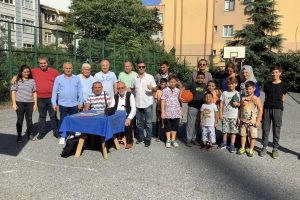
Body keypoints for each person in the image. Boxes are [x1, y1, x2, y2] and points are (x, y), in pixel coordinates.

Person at [11, 56, 60, 139]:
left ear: (47, 63)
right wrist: (15, 77)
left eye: (44, 63)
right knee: (42, 116)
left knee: (53, 116)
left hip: (52, 98)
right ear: (39, 64)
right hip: (40, 98)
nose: (43, 65)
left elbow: (61, 80)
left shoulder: (54, 72)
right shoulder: (34, 71)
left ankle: (56, 132)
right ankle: (41, 133)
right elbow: (24, 72)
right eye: (41, 63)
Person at [51, 62, 84, 144]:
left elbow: (80, 91)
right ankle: (63, 136)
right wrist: (54, 103)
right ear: (63, 69)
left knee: (73, 120)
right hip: (63, 104)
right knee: (63, 120)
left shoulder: (76, 78)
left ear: (72, 69)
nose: (68, 70)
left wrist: (81, 102)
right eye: (66, 68)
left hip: (74, 104)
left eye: (70, 68)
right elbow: (54, 92)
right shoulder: (58, 78)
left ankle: (72, 134)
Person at [259, 66, 287, 159]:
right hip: (267, 108)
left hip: (278, 109)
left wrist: (278, 105)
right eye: (273, 72)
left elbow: (283, 97)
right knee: (265, 128)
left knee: (276, 129)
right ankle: (264, 147)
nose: (274, 74)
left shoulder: (283, 84)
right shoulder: (267, 84)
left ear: (280, 73)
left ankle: (275, 149)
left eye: (276, 72)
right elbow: (266, 96)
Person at [131, 61, 157, 147]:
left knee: (148, 123)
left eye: (143, 67)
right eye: (139, 67)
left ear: (145, 68)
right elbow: (132, 89)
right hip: (138, 103)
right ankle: (141, 137)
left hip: (148, 103)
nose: (141, 68)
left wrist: (152, 88)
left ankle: (148, 139)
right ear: (137, 68)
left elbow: (156, 89)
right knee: (139, 123)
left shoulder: (150, 77)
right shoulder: (134, 78)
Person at [11, 65, 37, 143]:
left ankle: (30, 134)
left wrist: (35, 104)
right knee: (20, 120)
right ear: (21, 72)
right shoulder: (17, 80)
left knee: (29, 120)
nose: (27, 73)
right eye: (25, 72)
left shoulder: (32, 81)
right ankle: (19, 136)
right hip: (20, 103)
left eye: (28, 72)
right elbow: (13, 92)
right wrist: (14, 104)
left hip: (30, 103)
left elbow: (34, 92)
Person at [237, 81, 263, 157]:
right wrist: (238, 118)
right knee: (243, 135)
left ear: (254, 89)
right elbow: (240, 108)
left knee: (252, 136)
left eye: (250, 89)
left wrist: (258, 121)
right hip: (243, 121)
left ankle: (251, 149)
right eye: (247, 89)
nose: (248, 90)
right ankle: (242, 148)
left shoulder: (256, 99)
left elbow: (260, 109)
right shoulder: (243, 98)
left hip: (252, 122)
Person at [183, 72, 206, 147]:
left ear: (204, 79)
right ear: (196, 77)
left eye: (202, 78)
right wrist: (180, 96)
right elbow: (183, 88)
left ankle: (193, 138)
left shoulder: (205, 85)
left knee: (197, 124)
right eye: (198, 77)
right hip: (192, 106)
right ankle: (188, 139)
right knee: (190, 124)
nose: (200, 79)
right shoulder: (192, 84)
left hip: (201, 107)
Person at [219, 76, 240, 153]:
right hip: (225, 115)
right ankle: (224, 142)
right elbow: (221, 104)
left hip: (234, 116)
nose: (230, 85)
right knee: (224, 130)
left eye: (232, 84)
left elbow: (240, 104)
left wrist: (237, 104)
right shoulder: (224, 93)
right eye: (229, 84)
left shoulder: (237, 93)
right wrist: (220, 114)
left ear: (236, 84)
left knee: (233, 131)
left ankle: (232, 145)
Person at [113, 82, 136, 149]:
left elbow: (134, 109)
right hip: (117, 115)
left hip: (128, 115)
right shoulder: (115, 96)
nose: (121, 90)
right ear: (117, 89)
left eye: (122, 88)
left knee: (127, 124)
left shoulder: (130, 95)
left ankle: (129, 142)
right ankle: (112, 140)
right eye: (119, 88)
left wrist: (129, 118)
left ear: (125, 88)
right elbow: (111, 106)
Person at [161, 75, 181, 148]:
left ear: (176, 82)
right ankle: (168, 140)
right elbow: (163, 101)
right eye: (171, 82)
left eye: (174, 82)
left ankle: (173, 139)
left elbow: (180, 101)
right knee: (167, 127)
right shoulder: (165, 90)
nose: (172, 83)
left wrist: (181, 111)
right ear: (168, 82)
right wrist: (163, 112)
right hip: (167, 112)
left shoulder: (178, 90)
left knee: (175, 127)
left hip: (176, 112)